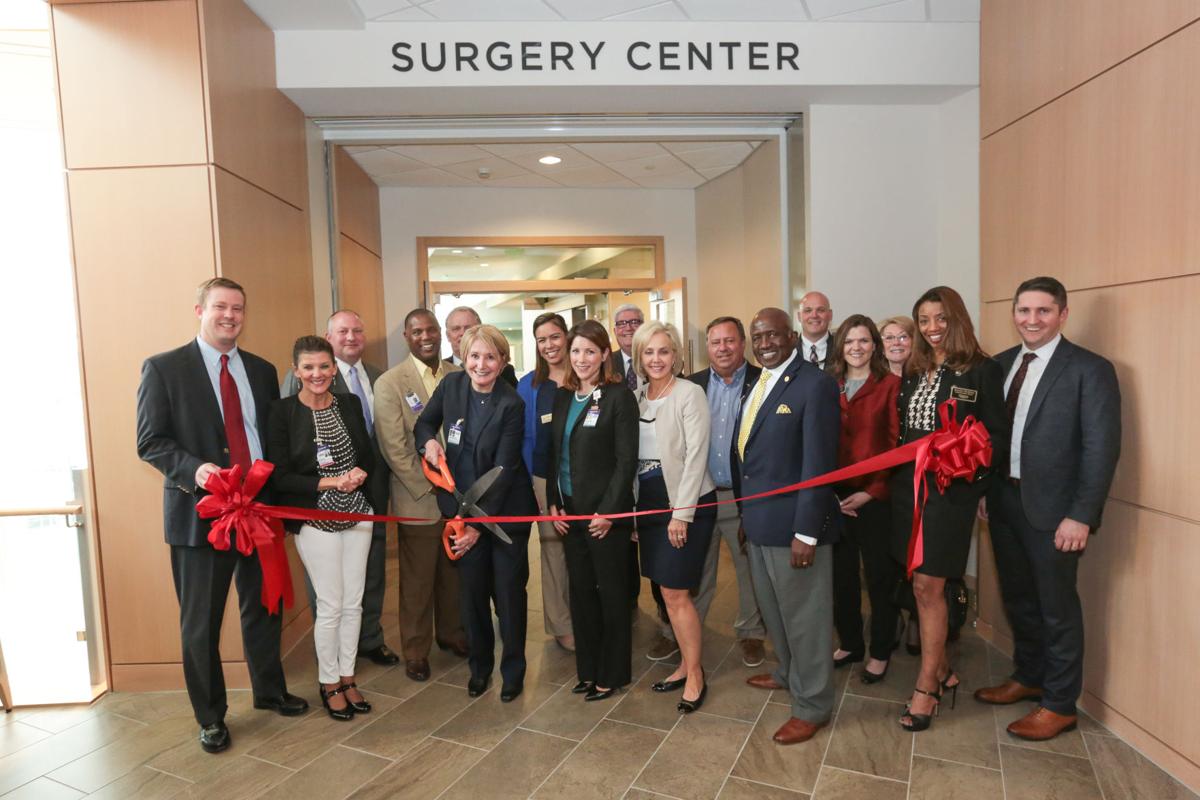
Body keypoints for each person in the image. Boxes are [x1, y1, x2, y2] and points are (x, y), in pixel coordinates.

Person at [136, 277, 307, 754]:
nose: (230, 315)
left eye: (238, 308)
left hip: (259, 510)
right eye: (220, 307)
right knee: (201, 623)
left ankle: (269, 691)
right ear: (199, 310)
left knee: (265, 605)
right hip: (202, 516)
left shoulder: (261, 369)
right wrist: (197, 470)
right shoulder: (164, 368)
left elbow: (267, 439)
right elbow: (150, 442)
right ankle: (211, 717)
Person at [975, 277, 1121, 741]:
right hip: (1003, 499)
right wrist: (983, 490)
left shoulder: (1089, 369)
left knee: (1056, 606)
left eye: (1042, 311)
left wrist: (1082, 513)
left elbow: (1101, 448)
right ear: (1013, 313)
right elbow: (989, 440)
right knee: (1018, 597)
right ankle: (1029, 675)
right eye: (1023, 311)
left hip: (1057, 512)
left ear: (1062, 314)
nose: (1031, 320)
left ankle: (1059, 704)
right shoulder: (999, 366)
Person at [891, 286, 1007, 732]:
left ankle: (928, 685)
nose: (932, 328)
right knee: (917, 585)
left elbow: (995, 438)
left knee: (929, 586)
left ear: (956, 319)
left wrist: (968, 472)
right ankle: (941, 667)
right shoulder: (914, 369)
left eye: (940, 318)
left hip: (949, 494)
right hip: (909, 491)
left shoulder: (983, 370)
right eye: (923, 320)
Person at [415, 324, 537, 702]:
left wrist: (478, 529)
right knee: (472, 596)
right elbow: (422, 424)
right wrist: (429, 443)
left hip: (504, 514)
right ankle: (480, 669)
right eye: (474, 356)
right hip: (460, 510)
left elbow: (502, 472)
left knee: (509, 595)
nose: (481, 364)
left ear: (502, 362)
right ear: (464, 358)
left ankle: (513, 671)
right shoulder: (450, 387)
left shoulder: (511, 404)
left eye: (490, 357)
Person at [737, 307, 842, 745]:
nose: (764, 344)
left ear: (793, 337)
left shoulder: (814, 385)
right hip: (759, 524)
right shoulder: (759, 382)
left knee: (806, 619)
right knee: (776, 613)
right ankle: (787, 672)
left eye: (773, 336)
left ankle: (813, 704)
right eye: (757, 337)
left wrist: (807, 532)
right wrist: (746, 517)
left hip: (794, 530)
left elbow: (818, 465)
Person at [268, 336, 379, 721]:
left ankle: (349, 677)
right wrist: (330, 483)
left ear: (334, 369)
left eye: (324, 366)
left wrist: (361, 473)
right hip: (315, 518)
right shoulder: (282, 413)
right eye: (309, 367)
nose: (318, 374)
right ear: (296, 371)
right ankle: (328, 681)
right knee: (331, 605)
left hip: (358, 514)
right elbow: (279, 476)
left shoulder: (348, 403)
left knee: (354, 603)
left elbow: (367, 454)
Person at [648, 317, 768, 668]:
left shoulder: (762, 382)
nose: (722, 348)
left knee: (747, 567)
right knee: (694, 569)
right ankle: (682, 634)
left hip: (739, 493)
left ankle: (751, 633)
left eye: (729, 341)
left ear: (742, 343)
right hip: (698, 493)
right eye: (715, 342)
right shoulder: (691, 385)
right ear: (707, 348)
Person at [281, 310, 397, 668]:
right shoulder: (292, 392)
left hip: (368, 496)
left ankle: (368, 639)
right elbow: (290, 449)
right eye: (343, 331)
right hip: (318, 507)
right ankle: (330, 660)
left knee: (368, 576)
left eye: (357, 330)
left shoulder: (378, 377)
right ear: (328, 338)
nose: (351, 337)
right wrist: (331, 482)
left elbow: (376, 442)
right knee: (329, 589)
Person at [546, 320, 639, 702]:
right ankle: (588, 669)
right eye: (575, 351)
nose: (581, 359)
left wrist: (610, 511)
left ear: (604, 354)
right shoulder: (564, 396)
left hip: (605, 518)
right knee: (581, 594)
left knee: (612, 595)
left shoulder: (619, 397)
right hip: (571, 516)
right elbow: (554, 454)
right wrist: (554, 501)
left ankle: (613, 672)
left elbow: (625, 461)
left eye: (589, 351)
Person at [374, 309, 468, 683]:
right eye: (417, 331)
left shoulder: (457, 376)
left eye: (431, 330)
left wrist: (458, 488)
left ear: (441, 334)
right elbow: (394, 447)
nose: (426, 336)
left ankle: (452, 635)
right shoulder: (390, 382)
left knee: (453, 572)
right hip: (419, 496)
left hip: (459, 495)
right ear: (407, 337)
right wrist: (433, 485)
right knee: (416, 578)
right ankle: (415, 649)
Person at [633, 321, 718, 713]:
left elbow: (697, 456)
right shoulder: (637, 398)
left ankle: (696, 674)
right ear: (639, 356)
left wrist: (681, 515)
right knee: (664, 589)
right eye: (648, 352)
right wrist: (635, 515)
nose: (656, 359)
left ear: (676, 355)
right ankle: (685, 663)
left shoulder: (690, 393)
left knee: (676, 592)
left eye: (663, 351)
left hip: (686, 501)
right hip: (648, 504)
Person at [827, 315, 901, 684]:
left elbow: (896, 446)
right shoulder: (830, 385)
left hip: (874, 497)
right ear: (840, 346)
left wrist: (870, 493)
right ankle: (852, 642)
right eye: (849, 341)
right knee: (841, 579)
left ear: (874, 345)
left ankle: (881, 649)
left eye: (863, 341)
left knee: (879, 578)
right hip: (836, 500)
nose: (856, 348)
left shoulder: (890, 386)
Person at [515, 312, 575, 652]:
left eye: (554, 336)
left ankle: (585, 616)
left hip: (582, 476)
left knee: (582, 552)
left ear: (566, 337)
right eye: (542, 340)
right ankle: (561, 624)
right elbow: (525, 439)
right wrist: (536, 488)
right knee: (554, 554)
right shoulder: (529, 386)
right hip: (543, 478)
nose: (549, 345)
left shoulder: (584, 374)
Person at [877, 314, 921, 655]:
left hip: (916, 484)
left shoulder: (925, 380)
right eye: (889, 338)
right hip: (880, 486)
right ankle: (891, 621)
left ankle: (919, 621)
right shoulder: (874, 381)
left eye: (903, 337)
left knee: (916, 560)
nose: (896, 343)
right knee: (886, 562)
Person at [444, 306, 517, 387]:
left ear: (480, 330)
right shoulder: (441, 369)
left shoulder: (505, 371)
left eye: (468, 328)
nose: (463, 333)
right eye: (456, 329)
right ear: (447, 335)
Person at [609, 303, 644, 392]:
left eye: (634, 322)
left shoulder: (657, 360)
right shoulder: (606, 364)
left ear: (644, 328)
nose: (628, 328)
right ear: (615, 331)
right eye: (621, 323)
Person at [796, 291, 835, 370]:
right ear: (799, 316)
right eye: (808, 310)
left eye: (820, 310)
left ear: (830, 315)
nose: (814, 315)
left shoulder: (842, 348)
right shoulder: (788, 351)